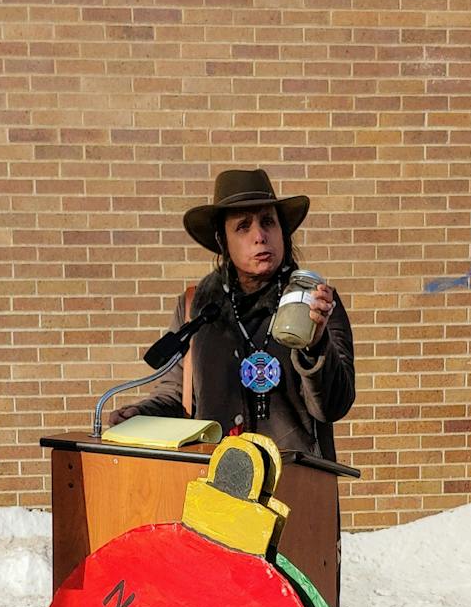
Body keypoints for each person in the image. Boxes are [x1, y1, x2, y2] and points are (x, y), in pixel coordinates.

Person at [110, 168, 354, 458]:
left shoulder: (316, 303)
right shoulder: (196, 308)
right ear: (222, 240)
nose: (260, 236)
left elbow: (333, 406)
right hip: (219, 482)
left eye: (268, 223)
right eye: (243, 227)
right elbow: (177, 395)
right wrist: (140, 414)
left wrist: (315, 344)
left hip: (296, 484)